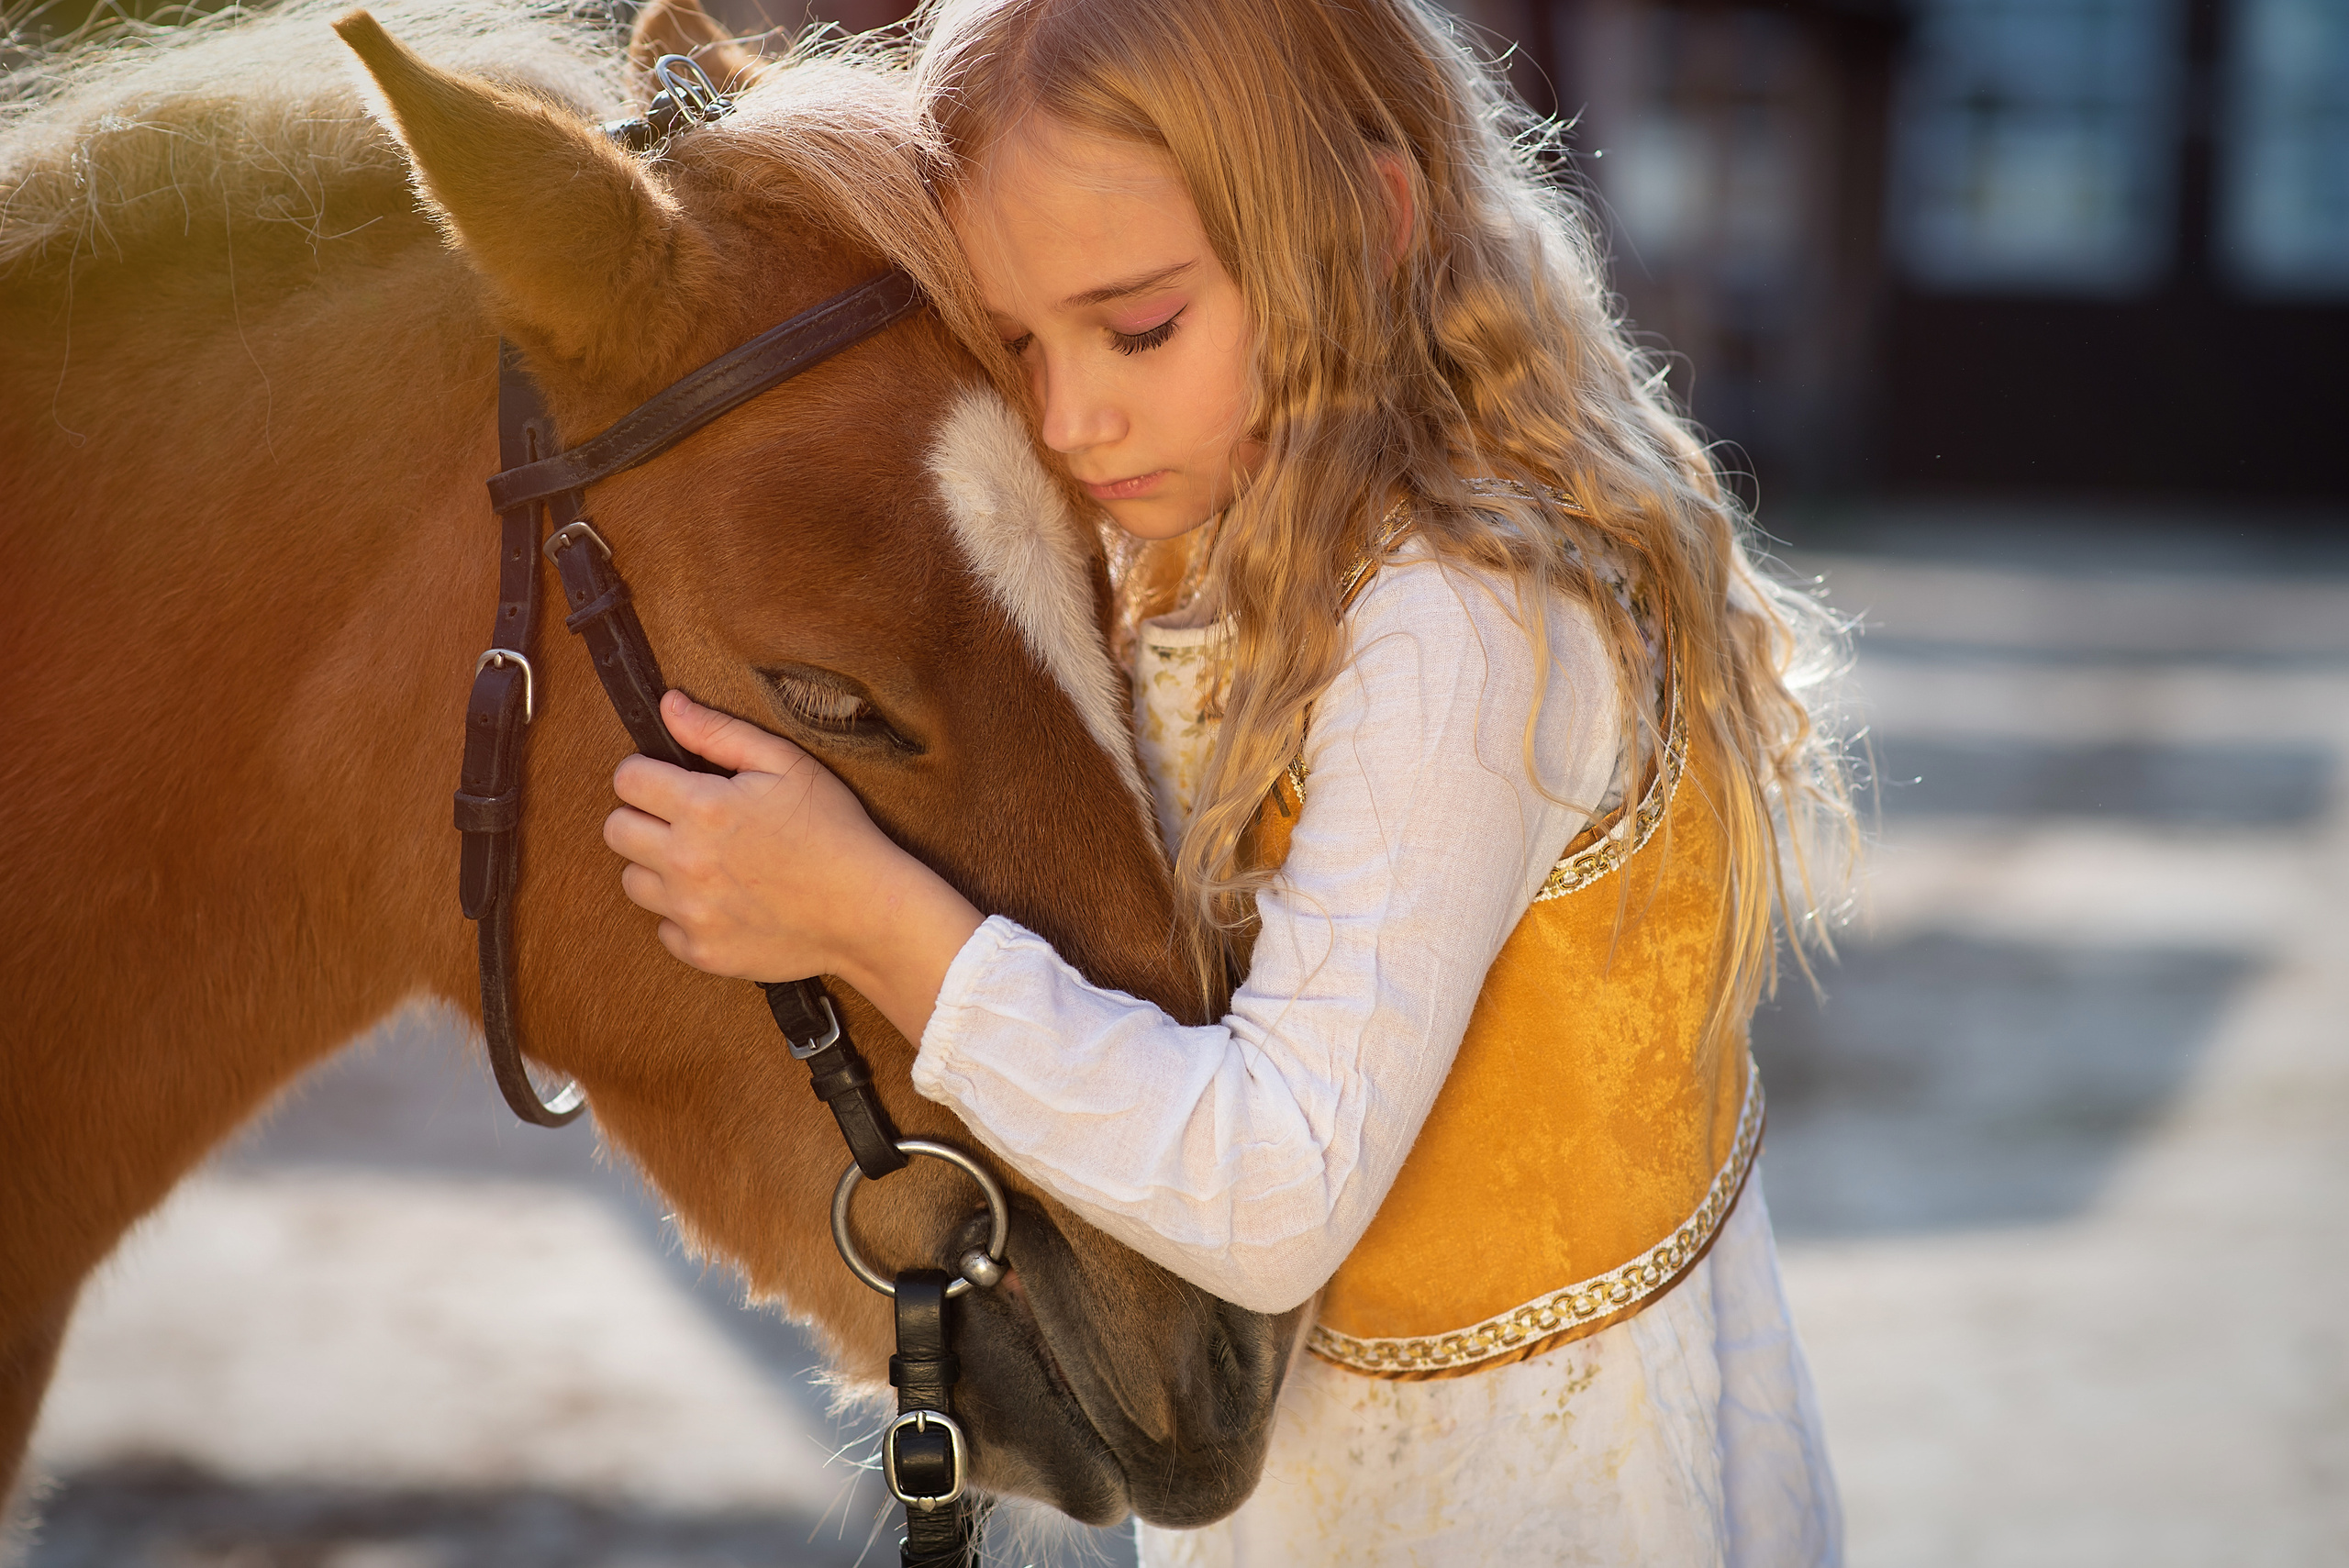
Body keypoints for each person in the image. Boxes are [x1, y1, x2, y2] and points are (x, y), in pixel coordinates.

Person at [600, 0, 1855, 1560]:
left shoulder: (1461, 621)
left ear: (1368, 225)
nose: (1071, 419)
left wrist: (870, 918)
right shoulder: (1208, 534)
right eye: (1016, 345)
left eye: (1137, 329)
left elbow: (1278, 1193)